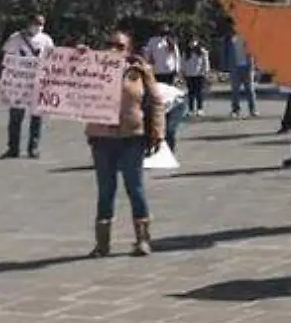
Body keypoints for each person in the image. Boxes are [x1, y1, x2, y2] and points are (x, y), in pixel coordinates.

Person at [87, 32, 165, 258]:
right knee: (105, 190)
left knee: (135, 187)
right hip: (102, 138)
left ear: (128, 49)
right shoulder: (93, 69)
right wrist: (79, 57)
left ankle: (142, 240)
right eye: (109, 44)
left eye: (119, 46)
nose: (114, 49)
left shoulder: (139, 72)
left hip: (132, 137)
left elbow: (157, 101)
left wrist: (157, 133)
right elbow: (75, 86)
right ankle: (102, 243)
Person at [1, 15, 53, 159]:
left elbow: (52, 58)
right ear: (29, 24)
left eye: (41, 24)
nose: (38, 27)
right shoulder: (16, 38)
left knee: (36, 117)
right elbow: (8, 57)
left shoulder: (46, 40)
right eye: (36, 23)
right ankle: (13, 148)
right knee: (15, 117)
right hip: (19, 85)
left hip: (37, 83)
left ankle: (33, 147)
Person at [225, 31, 259, 117]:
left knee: (250, 90)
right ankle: (235, 110)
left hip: (247, 67)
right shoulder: (231, 39)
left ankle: (253, 110)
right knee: (235, 90)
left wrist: (253, 66)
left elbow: (253, 53)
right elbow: (226, 54)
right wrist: (228, 67)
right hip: (235, 68)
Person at [156, 79, 190, 153]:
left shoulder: (155, 94)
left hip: (178, 103)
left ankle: (169, 151)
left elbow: (161, 110)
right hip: (167, 104)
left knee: (169, 129)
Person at [181, 38, 210, 115]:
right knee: (191, 93)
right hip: (189, 75)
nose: (192, 43)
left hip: (199, 74)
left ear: (197, 42)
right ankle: (190, 109)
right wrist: (183, 72)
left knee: (199, 92)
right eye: (191, 41)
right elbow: (183, 63)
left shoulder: (202, 51)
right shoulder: (185, 52)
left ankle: (200, 109)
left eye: (194, 41)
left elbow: (206, 62)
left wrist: (205, 72)